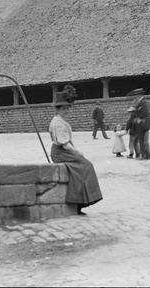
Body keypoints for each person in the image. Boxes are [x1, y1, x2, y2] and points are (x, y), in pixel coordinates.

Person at [48, 84, 102, 215]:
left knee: (85, 166)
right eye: (64, 108)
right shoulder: (57, 122)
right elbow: (64, 144)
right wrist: (77, 152)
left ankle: (81, 200)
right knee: (85, 165)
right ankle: (78, 201)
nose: (67, 111)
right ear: (58, 109)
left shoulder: (60, 120)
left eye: (68, 108)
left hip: (64, 151)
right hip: (60, 152)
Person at [129, 91, 150, 160]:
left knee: (143, 141)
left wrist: (137, 117)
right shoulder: (140, 103)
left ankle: (145, 156)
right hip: (142, 124)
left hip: (143, 124)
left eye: (135, 96)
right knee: (143, 141)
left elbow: (145, 113)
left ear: (138, 96)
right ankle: (146, 156)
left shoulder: (142, 103)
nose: (135, 98)